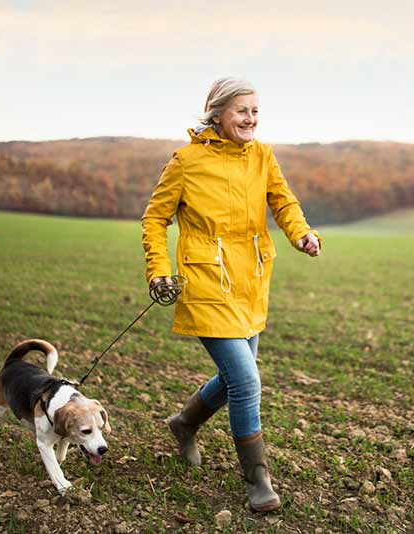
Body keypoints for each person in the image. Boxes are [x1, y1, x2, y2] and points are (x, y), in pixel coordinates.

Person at [141, 77, 321, 512]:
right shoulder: (186, 161)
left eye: (256, 111)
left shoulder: (262, 155)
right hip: (204, 283)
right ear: (218, 113)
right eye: (243, 111)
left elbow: (284, 202)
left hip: (250, 281)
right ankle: (258, 479)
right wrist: (159, 270)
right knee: (245, 381)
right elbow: (154, 219)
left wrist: (301, 234)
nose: (251, 119)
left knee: (234, 378)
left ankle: (183, 425)